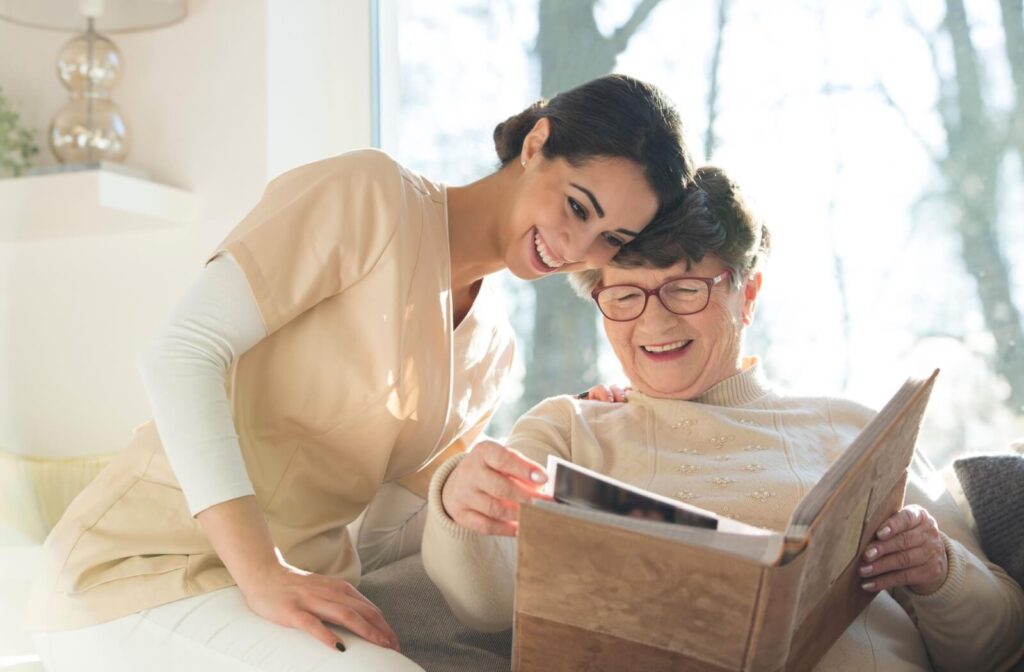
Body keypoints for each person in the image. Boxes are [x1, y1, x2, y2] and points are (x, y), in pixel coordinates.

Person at [28, 74, 712, 672]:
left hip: (286, 603)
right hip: (139, 577)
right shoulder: (371, 196)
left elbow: (385, 539)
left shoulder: (492, 349)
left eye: (608, 242)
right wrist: (263, 572)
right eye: (577, 208)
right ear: (537, 144)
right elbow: (179, 352)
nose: (574, 248)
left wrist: (524, 474)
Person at [422, 166, 1024, 671]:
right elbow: (485, 604)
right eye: (626, 295)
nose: (654, 325)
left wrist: (939, 570)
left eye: (686, 289)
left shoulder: (855, 430)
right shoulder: (568, 430)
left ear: (748, 292)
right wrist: (458, 501)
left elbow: (998, 643)